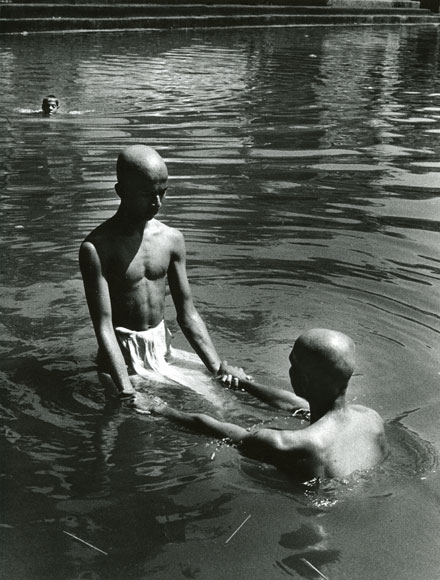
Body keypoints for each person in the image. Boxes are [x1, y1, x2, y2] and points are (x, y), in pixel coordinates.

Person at [79, 144, 246, 401]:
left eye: (162, 192)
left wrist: (216, 369)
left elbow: (188, 314)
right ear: (120, 192)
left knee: (233, 392)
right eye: (147, 194)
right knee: (164, 416)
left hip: (163, 350)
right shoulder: (97, 248)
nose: (157, 202)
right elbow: (104, 328)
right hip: (122, 360)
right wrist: (126, 391)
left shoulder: (171, 239)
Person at [147, 329, 388, 480]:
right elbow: (296, 403)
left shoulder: (290, 444)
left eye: (293, 364)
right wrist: (243, 384)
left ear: (302, 379)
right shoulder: (371, 418)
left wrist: (160, 409)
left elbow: (220, 429)